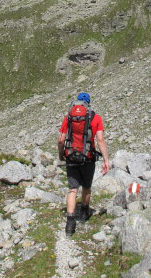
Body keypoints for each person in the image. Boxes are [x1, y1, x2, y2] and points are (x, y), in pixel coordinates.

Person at [58, 92, 110, 236]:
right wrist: (106, 160)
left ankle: (70, 222)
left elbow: (61, 140)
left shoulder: (68, 118)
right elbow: (100, 140)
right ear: (88, 104)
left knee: (72, 189)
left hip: (71, 157)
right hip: (88, 157)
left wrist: (61, 154)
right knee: (86, 187)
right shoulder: (95, 118)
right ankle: (85, 210)